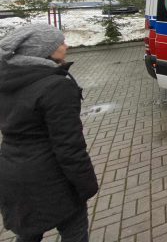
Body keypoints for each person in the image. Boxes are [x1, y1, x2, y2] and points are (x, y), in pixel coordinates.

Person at [0, 24, 98, 242]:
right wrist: (86, 184)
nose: (66, 45)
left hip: (12, 174)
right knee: (75, 230)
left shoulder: (8, 80)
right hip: (51, 177)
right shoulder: (55, 87)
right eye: (60, 43)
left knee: (28, 234)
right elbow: (69, 146)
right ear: (45, 50)